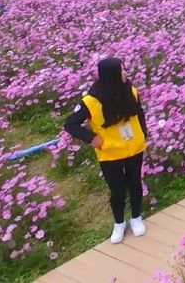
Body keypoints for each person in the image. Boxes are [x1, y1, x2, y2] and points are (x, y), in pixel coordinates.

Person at [64, 58, 148, 244]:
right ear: (111, 75)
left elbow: (139, 113)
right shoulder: (90, 101)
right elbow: (70, 124)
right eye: (122, 70)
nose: (126, 73)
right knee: (117, 189)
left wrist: (144, 134)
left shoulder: (131, 91)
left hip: (134, 148)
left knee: (135, 183)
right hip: (110, 153)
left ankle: (136, 217)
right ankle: (119, 222)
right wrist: (91, 138)